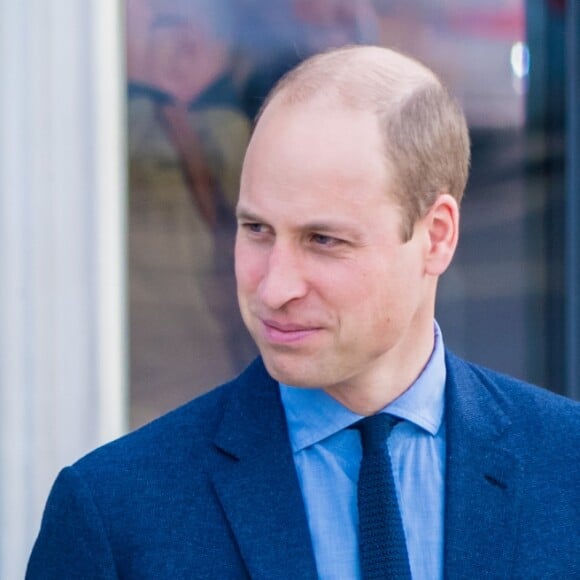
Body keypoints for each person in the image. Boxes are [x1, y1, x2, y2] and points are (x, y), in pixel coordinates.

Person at [27, 45, 579, 579]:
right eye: (257, 230)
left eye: (323, 239)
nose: (274, 288)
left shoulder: (566, 467)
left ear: (436, 236)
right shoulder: (115, 513)